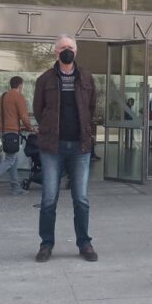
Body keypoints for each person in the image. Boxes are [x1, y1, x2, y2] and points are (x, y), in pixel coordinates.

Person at [33, 35, 98, 263]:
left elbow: (91, 108)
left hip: (80, 147)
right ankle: (46, 243)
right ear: (56, 52)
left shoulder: (87, 78)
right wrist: (51, 130)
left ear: (76, 51)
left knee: (81, 198)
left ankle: (84, 243)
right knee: (49, 198)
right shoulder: (45, 79)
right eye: (63, 47)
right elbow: (38, 110)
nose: (67, 50)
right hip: (53, 147)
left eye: (70, 47)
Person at [0, 76, 34, 198]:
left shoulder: (3, 96)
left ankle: (16, 187)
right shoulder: (18, 96)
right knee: (10, 160)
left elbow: (2, 114)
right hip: (11, 131)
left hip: (2, 130)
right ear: (20, 85)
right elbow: (24, 116)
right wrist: (30, 128)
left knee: (12, 159)